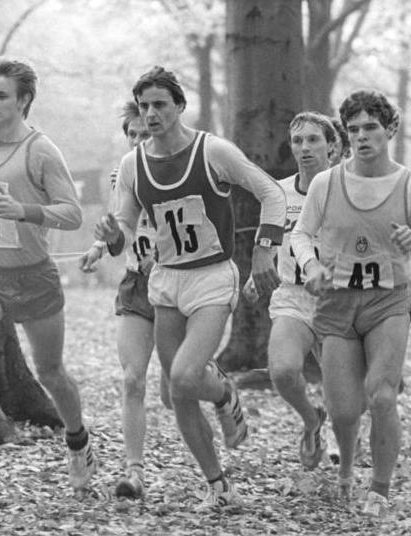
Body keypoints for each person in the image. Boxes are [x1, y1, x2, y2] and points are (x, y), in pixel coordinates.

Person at [95, 66, 286, 509]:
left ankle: (223, 392)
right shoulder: (132, 165)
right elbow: (123, 228)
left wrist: (263, 250)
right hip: (166, 281)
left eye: (160, 104)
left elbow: (271, 193)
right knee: (177, 393)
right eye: (144, 106)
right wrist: (110, 236)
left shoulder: (212, 151)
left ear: (180, 106)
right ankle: (219, 487)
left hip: (212, 278)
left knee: (183, 376)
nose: (151, 114)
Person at [290, 89, 411, 517]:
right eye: (354, 130)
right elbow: (301, 234)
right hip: (337, 304)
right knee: (345, 411)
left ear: (390, 130)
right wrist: (310, 267)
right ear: (345, 136)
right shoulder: (327, 183)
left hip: (388, 303)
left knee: (381, 396)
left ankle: (379, 490)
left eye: (371, 128)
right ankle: (346, 468)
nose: (362, 137)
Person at [0, 57, 93, 493]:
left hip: (34, 277)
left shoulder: (40, 150)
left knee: (50, 372)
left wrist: (24, 211)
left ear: (23, 100)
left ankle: (78, 440)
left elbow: (72, 214)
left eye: (0, 95)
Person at [77, 101, 172, 498]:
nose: (137, 141)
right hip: (137, 285)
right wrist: (103, 242)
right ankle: (134, 471)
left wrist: (164, 254)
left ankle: (221, 394)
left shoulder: (181, 172)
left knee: (176, 390)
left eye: (144, 134)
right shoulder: (123, 175)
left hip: (180, 285)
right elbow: (120, 237)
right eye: (131, 135)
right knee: (132, 379)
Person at [245, 112, 338, 470]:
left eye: (314, 139)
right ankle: (313, 421)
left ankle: (342, 437)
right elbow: (267, 245)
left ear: (331, 146)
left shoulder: (345, 189)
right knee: (283, 371)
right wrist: (257, 277)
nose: (304, 148)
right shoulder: (278, 193)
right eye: (298, 141)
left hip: (338, 299)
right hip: (292, 296)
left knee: (340, 382)